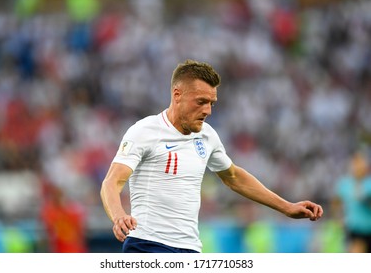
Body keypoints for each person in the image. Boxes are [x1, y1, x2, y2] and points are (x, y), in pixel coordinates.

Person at [100, 59, 323, 253]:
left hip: (190, 249)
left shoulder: (207, 135)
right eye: (201, 102)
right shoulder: (145, 131)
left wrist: (287, 207)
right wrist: (119, 216)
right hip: (147, 245)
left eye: (211, 103)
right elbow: (112, 182)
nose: (208, 111)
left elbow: (233, 176)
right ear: (177, 95)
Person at [333, 151, 371, 253]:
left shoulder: (369, 183)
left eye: (361, 163)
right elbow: (336, 202)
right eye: (356, 164)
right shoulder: (345, 184)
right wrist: (339, 218)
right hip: (356, 230)